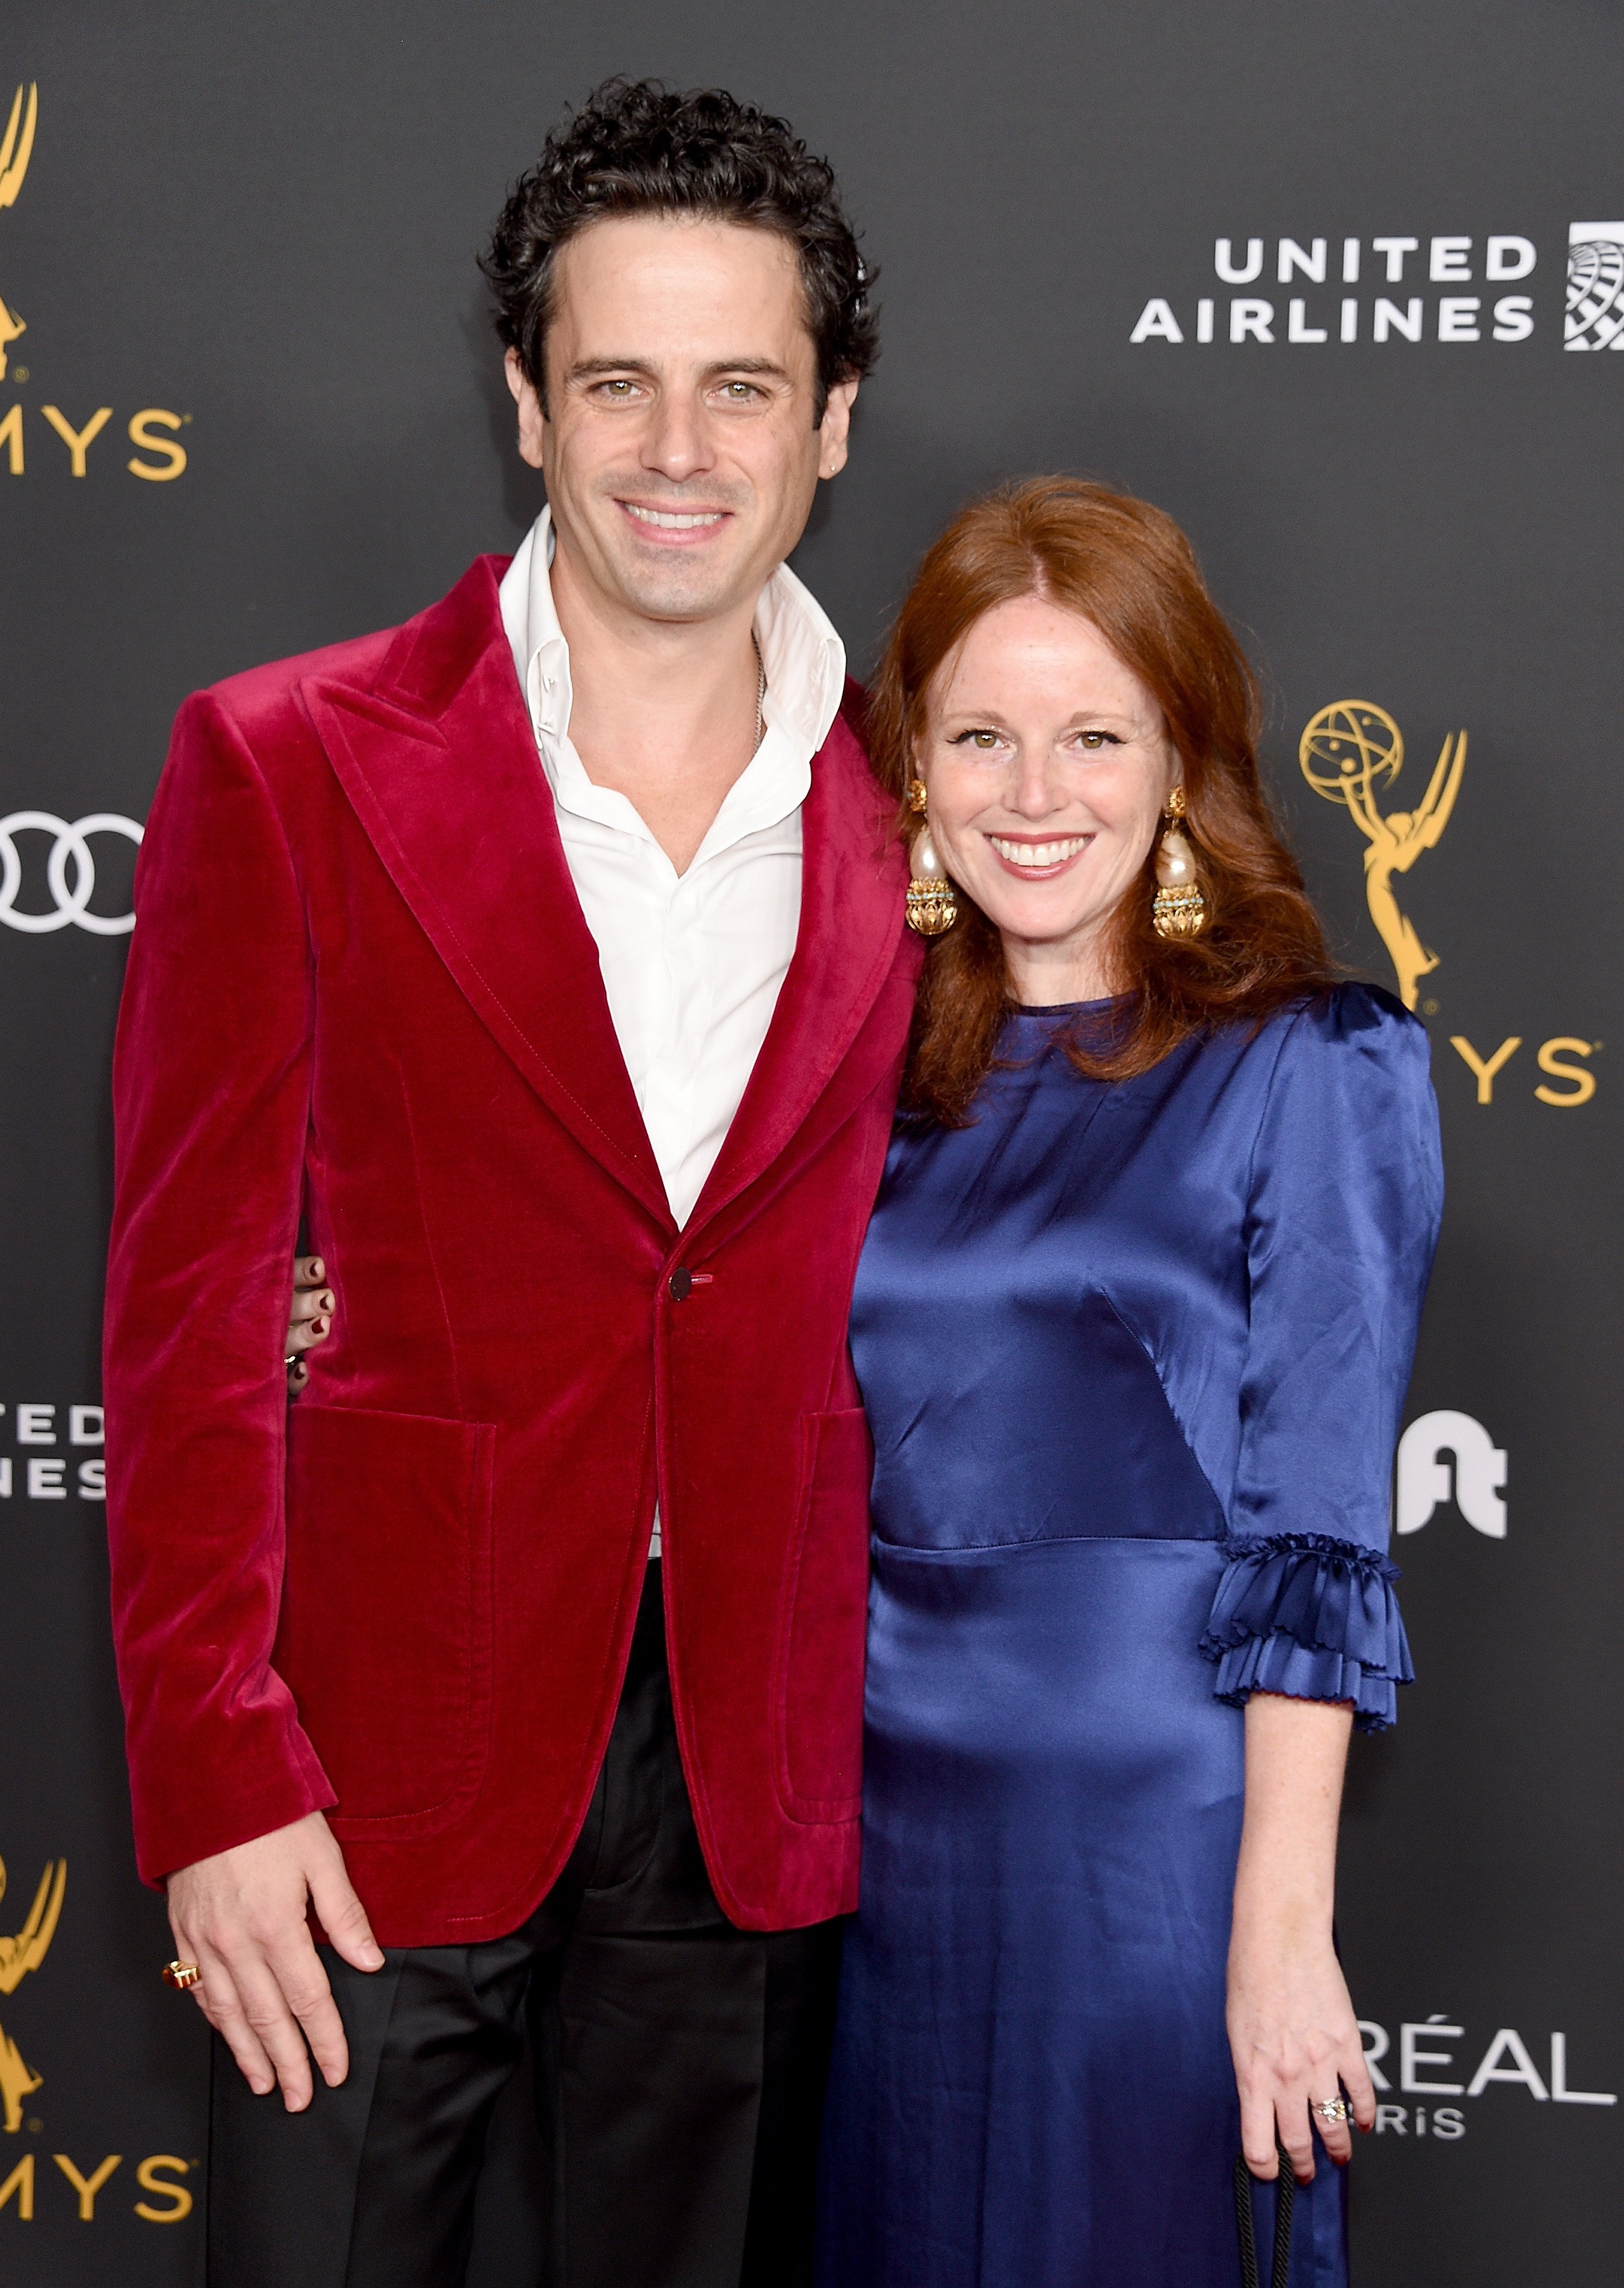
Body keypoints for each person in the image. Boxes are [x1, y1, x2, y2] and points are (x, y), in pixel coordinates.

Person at [102, 79, 917, 2288]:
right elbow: (183, 1319)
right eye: (617, 382)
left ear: (828, 420)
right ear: (525, 407)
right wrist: (214, 1779)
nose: (680, 446)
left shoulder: (933, 805)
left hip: (754, 1764)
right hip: (361, 1767)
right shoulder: (283, 760)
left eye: (740, 385)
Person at [808, 478, 1442, 2287]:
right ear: (909, 766)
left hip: (1152, 1850)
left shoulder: (1311, 1064)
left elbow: (1318, 1526)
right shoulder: (848, 1084)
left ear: (1178, 762)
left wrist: (1278, 1930)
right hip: (860, 1849)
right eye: (980, 737)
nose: (1033, 794)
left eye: (1092, 736)